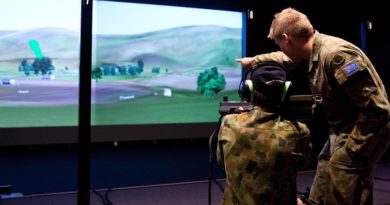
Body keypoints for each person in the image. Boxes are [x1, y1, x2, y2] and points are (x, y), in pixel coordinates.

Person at [237, 7, 390, 205]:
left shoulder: (337, 57)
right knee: (322, 184)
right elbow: (283, 58)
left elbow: (377, 109)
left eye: (279, 43)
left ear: (287, 37)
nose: (281, 48)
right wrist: (253, 61)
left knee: (343, 183)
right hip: (342, 127)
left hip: (365, 130)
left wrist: (351, 149)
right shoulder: (310, 52)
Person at [216, 62, 312, 205]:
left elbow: (220, 160)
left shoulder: (229, 123)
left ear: (248, 89)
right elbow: (303, 164)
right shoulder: (298, 131)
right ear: (287, 92)